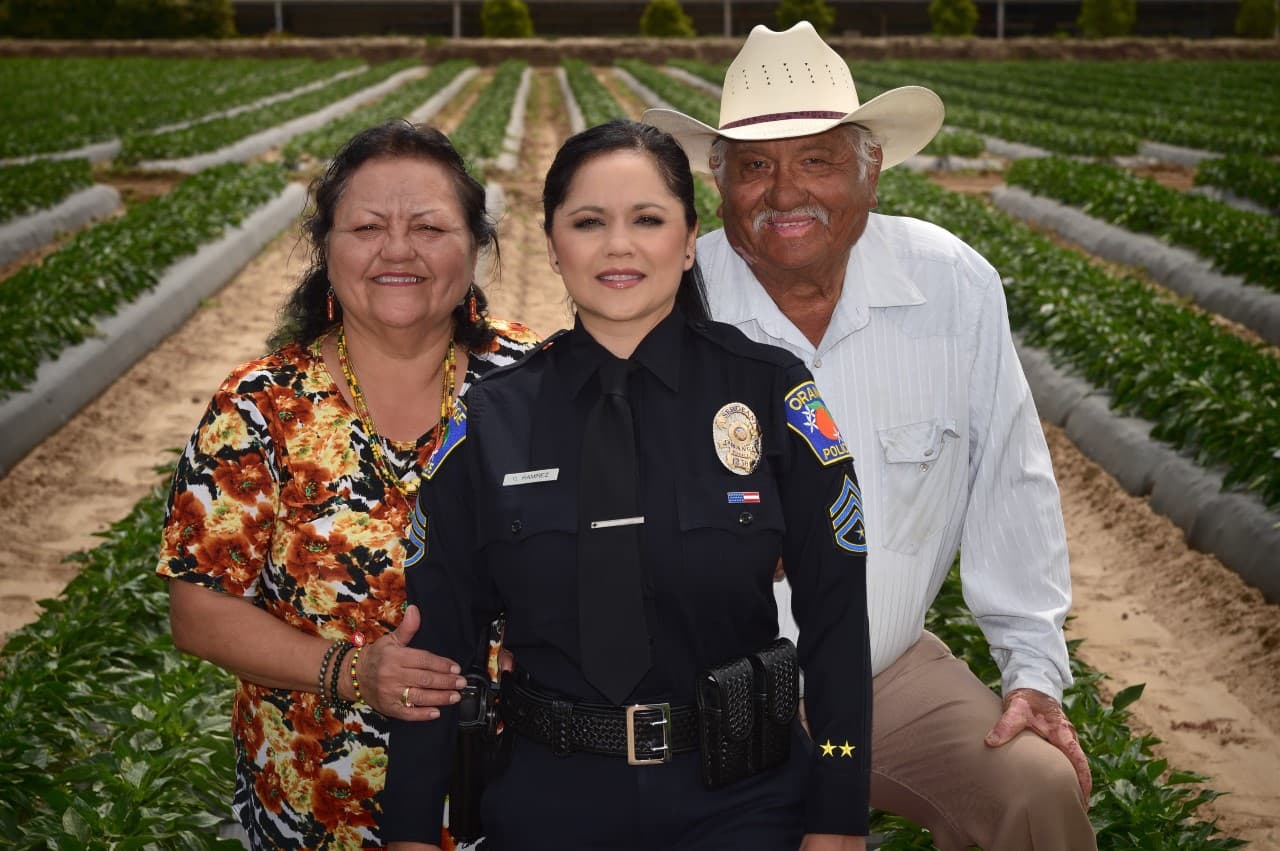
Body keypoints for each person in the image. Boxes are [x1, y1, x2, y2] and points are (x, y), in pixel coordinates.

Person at [643, 22, 1096, 851]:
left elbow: (1010, 479)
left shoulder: (951, 286)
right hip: (707, 689)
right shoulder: (665, 304)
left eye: (816, 160)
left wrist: (1034, 675)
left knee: (1034, 789)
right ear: (719, 183)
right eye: (755, 167)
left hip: (885, 674)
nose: (785, 194)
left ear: (870, 169)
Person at [381, 119, 871, 851]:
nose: (618, 246)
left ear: (689, 239)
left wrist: (837, 818)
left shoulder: (771, 393)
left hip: (743, 803)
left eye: (647, 219)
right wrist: (411, 832)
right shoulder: (487, 421)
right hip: (549, 802)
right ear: (553, 245)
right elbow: (436, 656)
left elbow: (836, 622)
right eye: (588, 222)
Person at [156, 119, 539, 849]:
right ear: (326, 249)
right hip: (316, 803)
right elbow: (198, 609)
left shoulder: (535, 380)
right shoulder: (260, 407)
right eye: (367, 227)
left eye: (429, 227)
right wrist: (351, 670)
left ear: (475, 246)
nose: (398, 250)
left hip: (515, 797)